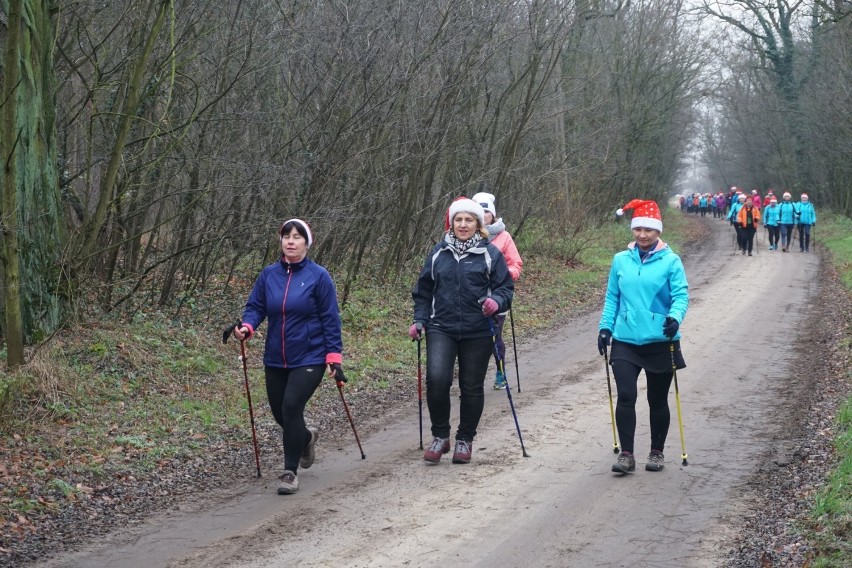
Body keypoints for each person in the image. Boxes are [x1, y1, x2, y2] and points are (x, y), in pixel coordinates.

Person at [232, 219, 345, 495]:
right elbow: (256, 307)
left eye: (297, 237)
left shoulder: (319, 277)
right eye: (286, 236)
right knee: (280, 412)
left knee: (292, 406)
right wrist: (247, 327)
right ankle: (306, 437)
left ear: (307, 243)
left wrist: (333, 357)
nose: (291, 241)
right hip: (275, 357)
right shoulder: (268, 275)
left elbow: (331, 319)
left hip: (310, 355)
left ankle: (289, 472)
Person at [410, 198, 514, 465]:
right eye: (459, 220)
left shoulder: (490, 254)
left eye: (469, 220)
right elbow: (423, 291)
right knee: (437, 380)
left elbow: (505, 289)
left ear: (478, 224)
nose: (463, 224)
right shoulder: (437, 253)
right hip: (440, 327)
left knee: (471, 386)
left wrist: (496, 302)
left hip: (478, 329)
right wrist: (420, 320)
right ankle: (440, 436)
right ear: (451, 223)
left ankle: (464, 440)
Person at [599, 199, 688, 474]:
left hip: (660, 340)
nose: (642, 235)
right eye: (638, 229)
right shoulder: (620, 260)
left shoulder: (671, 261)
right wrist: (605, 328)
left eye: (648, 230)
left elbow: (681, 296)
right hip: (625, 340)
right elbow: (613, 297)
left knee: (657, 400)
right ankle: (626, 455)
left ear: (658, 231)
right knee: (625, 395)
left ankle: (657, 452)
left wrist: (674, 318)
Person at [471, 191, 523, 390]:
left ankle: (500, 371)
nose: (483, 215)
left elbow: (516, 264)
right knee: (472, 340)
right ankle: (472, 381)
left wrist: (503, 273)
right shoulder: (467, 235)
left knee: (493, 337)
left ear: (492, 214)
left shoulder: (504, 236)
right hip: (472, 297)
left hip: (497, 296)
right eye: (480, 211)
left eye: (486, 211)